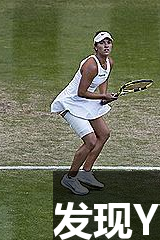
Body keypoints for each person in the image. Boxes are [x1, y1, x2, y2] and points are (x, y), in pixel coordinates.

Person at [51, 31, 118, 195]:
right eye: (102, 43)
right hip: (70, 103)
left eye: (108, 42)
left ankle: (86, 172)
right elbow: (81, 92)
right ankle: (70, 178)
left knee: (104, 134)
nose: (106, 45)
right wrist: (103, 96)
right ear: (95, 47)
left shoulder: (109, 62)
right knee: (90, 141)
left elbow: (104, 80)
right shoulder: (91, 65)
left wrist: (104, 95)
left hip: (85, 102)